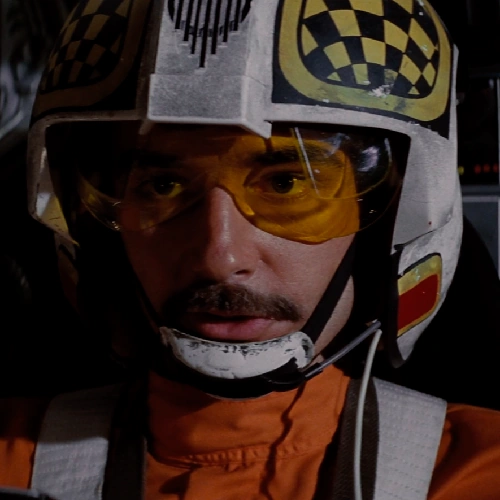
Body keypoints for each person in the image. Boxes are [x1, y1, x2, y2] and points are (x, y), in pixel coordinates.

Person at [1, 0, 500, 499]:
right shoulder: (11, 461)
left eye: (286, 184)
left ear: (388, 224)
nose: (220, 258)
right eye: (164, 186)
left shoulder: (480, 473)